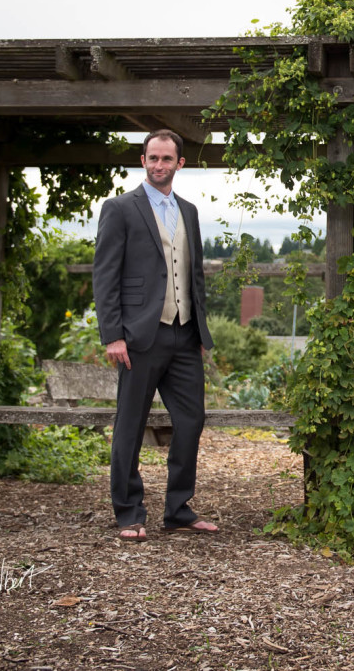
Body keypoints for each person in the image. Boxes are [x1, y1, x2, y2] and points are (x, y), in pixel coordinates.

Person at [93, 130, 217, 542]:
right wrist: (113, 335)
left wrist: (199, 329)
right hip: (139, 336)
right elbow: (106, 274)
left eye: (166, 159)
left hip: (183, 336)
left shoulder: (190, 212)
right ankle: (129, 511)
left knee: (191, 421)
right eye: (152, 158)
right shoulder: (120, 208)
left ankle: (178, 509)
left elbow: (193, 274)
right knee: (130, 425)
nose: (159, 165)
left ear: (180, 163)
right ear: (143, 160)